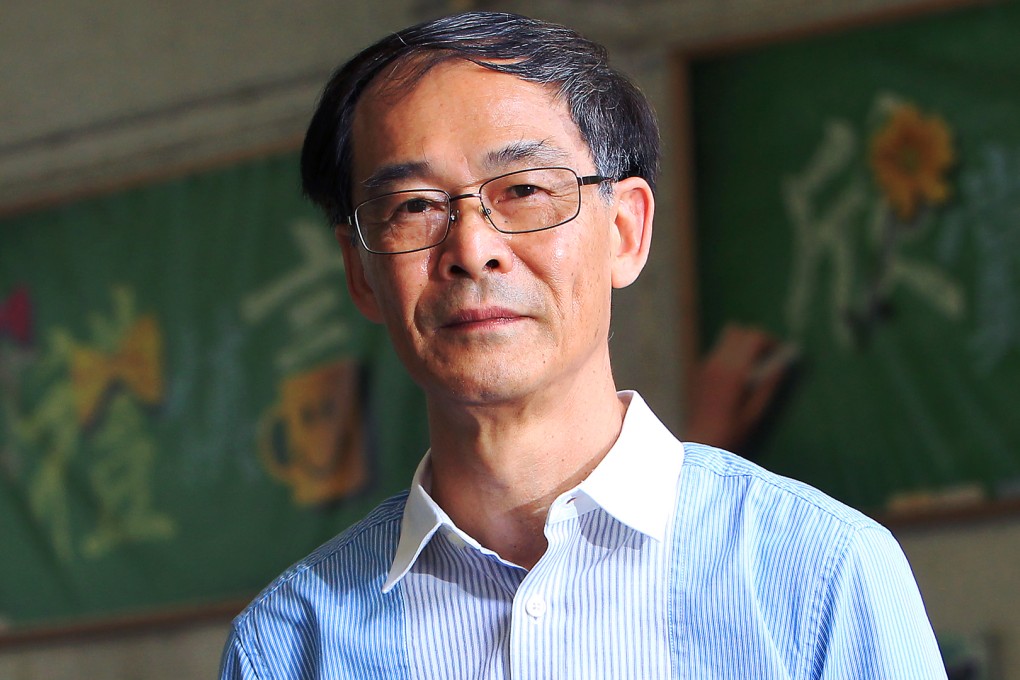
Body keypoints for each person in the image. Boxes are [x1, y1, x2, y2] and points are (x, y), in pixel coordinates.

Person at [220, 11, 946, 679]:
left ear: (626, 232)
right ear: (361, 272)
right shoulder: (292, 645)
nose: (473, 249)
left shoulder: (819, 576)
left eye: (526, 191)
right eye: (414, 207)